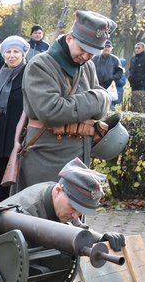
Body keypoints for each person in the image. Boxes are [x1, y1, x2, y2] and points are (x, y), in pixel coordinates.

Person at [16, 10, 114, 191]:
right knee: (41, 215)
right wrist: (98, 98)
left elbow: (99, 111)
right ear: (69, 38)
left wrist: (98, 101)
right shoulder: (41, 65)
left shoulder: (88, 66)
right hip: (46, 158)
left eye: (92, 53)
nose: (86, 57)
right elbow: (52, 111)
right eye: (83, 49)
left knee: (74, 216)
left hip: (78, 157)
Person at [0, 36, 29, 207]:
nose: (12, 55)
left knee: (17, 186)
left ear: (22, 54)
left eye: (16, 52)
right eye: (8, 52)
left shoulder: (29, 75)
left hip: (18, 139)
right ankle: (0, 221)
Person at [92, 40, 124, 110]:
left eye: (108, 47)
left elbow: (120, 73)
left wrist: (111, 78)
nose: (106, 48)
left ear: (111, 48)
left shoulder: (115, 60)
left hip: (109, 87)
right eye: (104, 46)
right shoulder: (95, 58)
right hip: (96, 86)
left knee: (109, 108)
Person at [128, 42, 145, 112]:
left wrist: (141, 78)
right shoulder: (133, 58)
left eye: (138, 48)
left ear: (144, 48)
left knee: (143, 102)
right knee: (134, 102)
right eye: (135, 48)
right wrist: (130, 77)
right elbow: (131, 69)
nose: (136, 50)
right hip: (134, 84)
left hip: (143, 83)